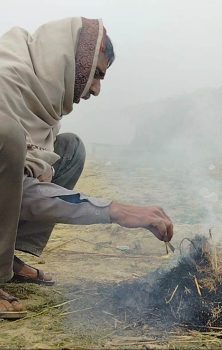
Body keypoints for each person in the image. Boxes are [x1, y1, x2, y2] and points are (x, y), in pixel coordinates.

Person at [0, 17, 173, 318]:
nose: (96, 89)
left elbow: (22, 182)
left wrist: (37, 169)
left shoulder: (41, 92)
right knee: (8, 136)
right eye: (95, 74)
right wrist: (113, 210)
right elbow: (20, 192)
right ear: (70, 60)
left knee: (69, 149)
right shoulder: (6, 80)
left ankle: (6, 258)